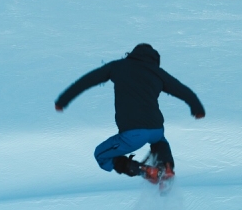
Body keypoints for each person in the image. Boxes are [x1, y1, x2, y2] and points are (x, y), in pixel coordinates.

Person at [55, 43, 205, 182]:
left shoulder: (118, 66)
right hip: (156, 129)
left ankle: (145, 171)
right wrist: (197, 108)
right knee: (160, 141)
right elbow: (182, 90)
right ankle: (167, 168)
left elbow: (87, 80)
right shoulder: (158, 73)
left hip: (133, 134)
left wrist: (63, 100)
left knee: (101, 155)